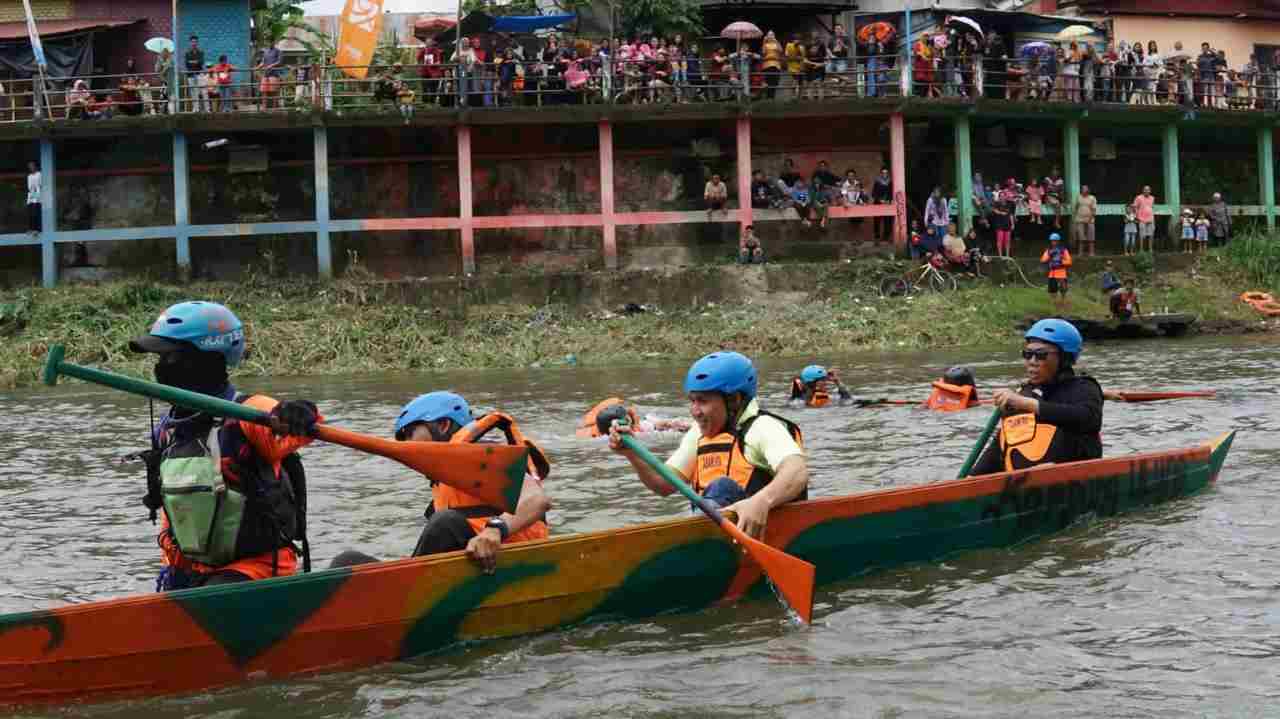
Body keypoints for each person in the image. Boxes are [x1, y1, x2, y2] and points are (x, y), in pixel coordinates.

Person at [129, 301, 320, 589]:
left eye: (171, 358)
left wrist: (300, 412)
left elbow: (293, 426)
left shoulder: (248, 412)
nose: (161, 368)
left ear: (208, 360)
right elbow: (178, 511)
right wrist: (173, 571)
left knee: (214, 592)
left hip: (255, 571)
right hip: (195, 569)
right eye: (159, 358)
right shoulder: (167, 430)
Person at [331, 392, 552, 573]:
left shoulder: (480, 455)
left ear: (444, 425)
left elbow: (537, 499)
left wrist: (494, 531)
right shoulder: (443, 478)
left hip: (510, 561)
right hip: (463, 569)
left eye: (410, 433)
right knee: (347, 561)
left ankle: (403, 593)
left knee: (445, 523)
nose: (407, 444)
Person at [608, 352, 808, 538]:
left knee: (722, 487)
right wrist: (631, 452)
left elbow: (797, 472)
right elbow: (663, 484)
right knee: (715, 492)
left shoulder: (762, 427)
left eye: (702, 401)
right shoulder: (698, 433)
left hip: (767, 533)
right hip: (720, 533)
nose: (694, 411)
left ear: (734, 400)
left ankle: (697, 542)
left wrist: (762, 501)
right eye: (692, 401)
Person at [967, 319, 1102, 476]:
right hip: (1024, 489)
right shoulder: (1022, 396)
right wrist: (969, 480)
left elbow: (1088, 418)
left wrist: (1027, 404)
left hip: (1073, 484)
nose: (1032, 362)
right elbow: (1000, 448)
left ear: (1064, 358)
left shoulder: (1083, 387)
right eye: (1028, 354)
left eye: (1041, 355)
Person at [576, 398, 691, 438]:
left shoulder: (596, 432)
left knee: (670, 424)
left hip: (650, 423)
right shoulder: (640, 432)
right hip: (648, 428)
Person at [1041, 232, 1072, 313]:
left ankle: (1063, 305)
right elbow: (1043, 259)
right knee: (1052, 291)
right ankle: (1054, 306)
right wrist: (1049, 255)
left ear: (1058, 241)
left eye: (1055, 241)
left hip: (1061, 273)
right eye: (1052, 241)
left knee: (1063, 291)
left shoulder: (1063, 250)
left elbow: (1069, 261)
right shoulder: (1049, 250)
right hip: (1052, 274)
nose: (1053, 242)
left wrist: (1061, 261)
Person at [1072, 184, 1098, 257]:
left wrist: (1089, 219)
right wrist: (1075, 217)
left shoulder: (1092, 198)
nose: (1083, 190)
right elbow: (1076, 207)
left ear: (1088, 190)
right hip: (1079, 219)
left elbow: (1094, 210)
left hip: (1090, 220)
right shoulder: (1078, 197)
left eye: (1085, 189)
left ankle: (1091, 252)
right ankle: (1080, 253)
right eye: (1082, 189)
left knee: (1091, 237)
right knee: (1081, 237)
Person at [184, 36, 205, 112]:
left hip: (199, 73)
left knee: (203, 91)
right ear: (190, 42)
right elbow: (187, 63)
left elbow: (201, 62)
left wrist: (192, 62)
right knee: (193, 92)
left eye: (195, 42)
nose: (194, 43)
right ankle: (195, 108)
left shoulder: (200, 51)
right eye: (192, 42)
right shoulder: (187, 52)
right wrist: (196, 62)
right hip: (190, 74)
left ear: (197, 42)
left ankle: (206, 109)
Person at [1132, 185, 1156, 253]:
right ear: (1143, 190)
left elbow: (1152, 207)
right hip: (1142, 219)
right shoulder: (1138, 197)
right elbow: (1134, 207)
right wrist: (1137, 216)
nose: (1147, 191)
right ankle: (1141, 249)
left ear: (1150, 191)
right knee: (1142, 235)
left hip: (1151, 218)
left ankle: (1150, 249)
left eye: (1148, 190)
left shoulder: (1152, 198)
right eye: (1145, 189)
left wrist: (1152, 216)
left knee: (1151, 235)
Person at [25, 160, 40, 236]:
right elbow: (29, 187)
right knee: (30, 213)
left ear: (35, 166)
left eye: (32, 165)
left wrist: (35, 190)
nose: (31, 167)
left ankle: (37, 229)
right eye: (29, 166)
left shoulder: (39, 174)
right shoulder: (29, 176)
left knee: (35, 213)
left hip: (38, 195)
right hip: (31, 196)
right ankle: (30, 229)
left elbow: (39, 185)